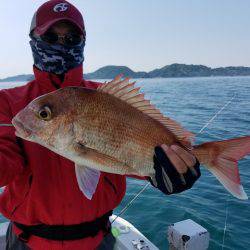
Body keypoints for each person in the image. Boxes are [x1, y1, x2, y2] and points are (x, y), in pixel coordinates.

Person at [0, 1, 200, 249]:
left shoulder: (108, 99)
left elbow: (133, 157)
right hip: (25, 241)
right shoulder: (9, 103)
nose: (62, 44)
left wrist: (167, 173)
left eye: (71, 37)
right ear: (33, 39)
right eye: (51, 36)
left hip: (98, 240)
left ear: (83, 42)